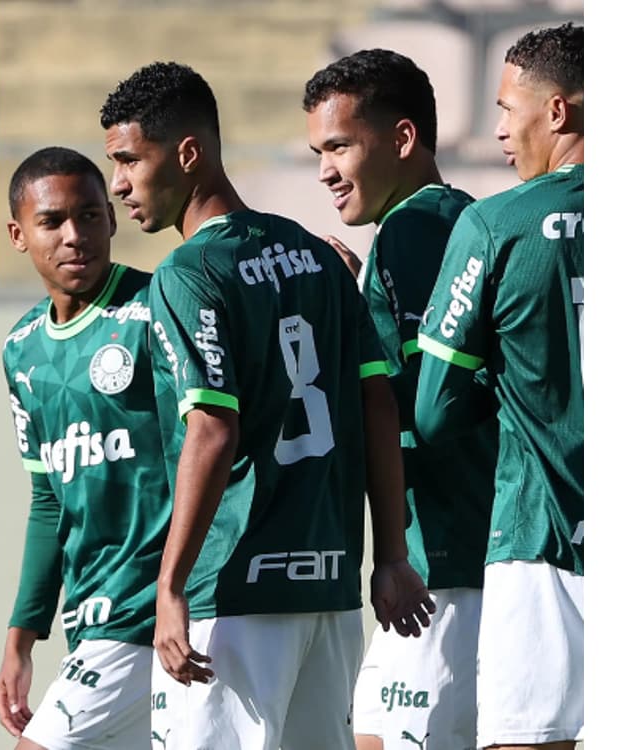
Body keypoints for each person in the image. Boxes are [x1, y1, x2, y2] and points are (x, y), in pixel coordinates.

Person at [100, 61, 434, 749]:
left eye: (130, 159)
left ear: (188, 154)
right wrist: (391, 557)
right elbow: (378, 403)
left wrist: (169, 588)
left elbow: (213, 430)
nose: (119, 184)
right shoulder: (317, 255)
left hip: (237, 596)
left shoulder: (188, 273)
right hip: (331, 591)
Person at [302, 49, 497, 750]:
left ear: (404, 139)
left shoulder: (412, 232)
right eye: (317, 150)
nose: (324, 169)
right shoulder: (455, 223)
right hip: (440, 558)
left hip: (442, 559)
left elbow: (425, 404)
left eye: (339, 146)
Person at [415, 23, 583, 750]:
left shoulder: (496, 224)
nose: (498, 130)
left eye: (508, 109)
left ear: (558, 112)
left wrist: (499, 377)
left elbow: (435, 408)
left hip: (541, 539)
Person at [0, 147, 172, 749]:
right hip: (87, 618)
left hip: (149, 610)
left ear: (112, 219)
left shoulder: (157, 309)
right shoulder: (21, 351)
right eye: (53, 222)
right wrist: (21, 638)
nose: (75, 236)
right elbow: (49, 500)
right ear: (19, 234)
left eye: (90, 216)